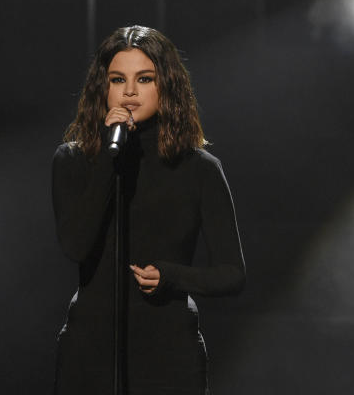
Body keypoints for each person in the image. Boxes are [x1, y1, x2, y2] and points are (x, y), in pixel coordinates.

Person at [52, 25, 245, 394]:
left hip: (168, 355)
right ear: (102, 88)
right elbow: (76, 245)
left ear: (166, 85)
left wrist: (171, 276)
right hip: (89, 353)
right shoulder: (73, 160)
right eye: (117, 79)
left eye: (143, 78)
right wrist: (110, 159)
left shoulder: (199, 168)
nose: (128, 92)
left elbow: (232, 273)